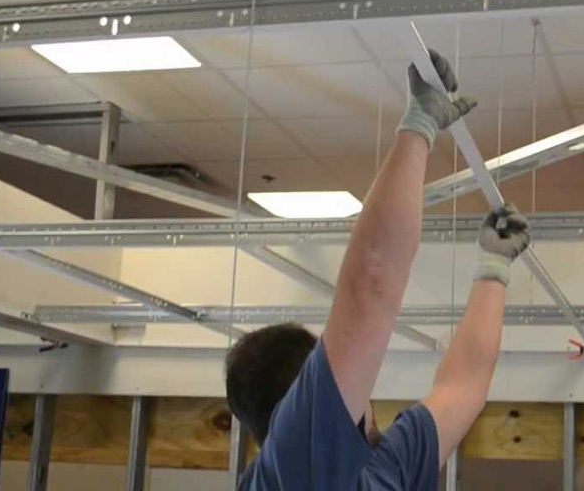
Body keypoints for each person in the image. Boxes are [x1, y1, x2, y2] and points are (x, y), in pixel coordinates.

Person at [226, 50, 532, 490]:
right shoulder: (299, 472)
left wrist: (493, 270)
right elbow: (371, 284)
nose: (349, 366)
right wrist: (418, 127)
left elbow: (463, 386)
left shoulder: (380, 467)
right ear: (303, 403)